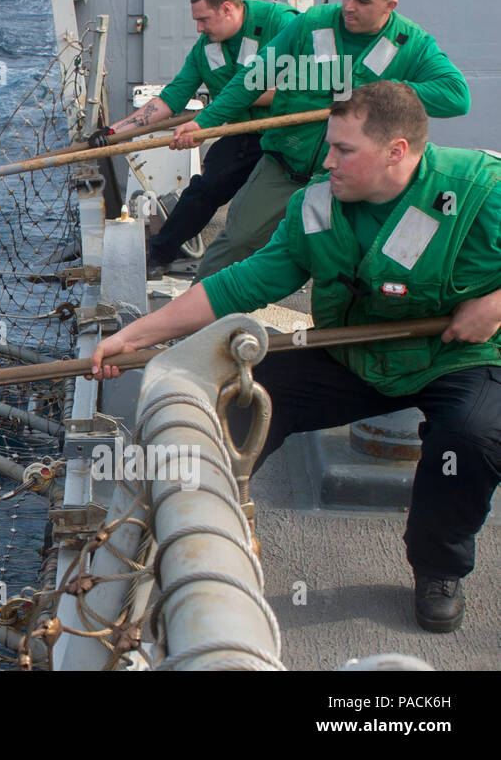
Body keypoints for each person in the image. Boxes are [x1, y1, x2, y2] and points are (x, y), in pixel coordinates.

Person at [90, 81, 501, 632]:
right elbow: (240, 284)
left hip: (458, 356)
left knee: (469, 441)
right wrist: (136, 335)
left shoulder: (480, 191)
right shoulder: (316, 208)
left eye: (344, 150)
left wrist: (495, 305)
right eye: (329, 146)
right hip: (354, 350)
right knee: (242, 400)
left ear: (396, 152)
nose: (327, 160)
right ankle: (210, 530)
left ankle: (438, 568)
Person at [168, 0, 469, 282]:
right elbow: (253, 77)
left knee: (354, 264)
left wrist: (380, 92)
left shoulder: (412, 44)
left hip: (354, 176)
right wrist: (205, 123)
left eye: (362, 0)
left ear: (390, 5)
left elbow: (456, 95)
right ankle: (196, 324)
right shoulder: (312, 23)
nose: (349, 6)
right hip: (287, 163)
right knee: (238, 239)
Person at [88, 0, 297, 277]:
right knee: (205, 188)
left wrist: (243, 96)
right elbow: (171, 99)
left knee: (278, 208)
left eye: (203, 19)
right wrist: (113, 134)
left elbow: (310, 87)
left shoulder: (281, 24)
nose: (199, 28)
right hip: (244, 134)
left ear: (227, 9)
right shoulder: (205, 50)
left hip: (291, 135)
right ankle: (159, 254)